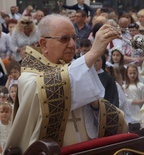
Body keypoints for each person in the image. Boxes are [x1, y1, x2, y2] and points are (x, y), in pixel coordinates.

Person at [4, 14, 127, 153]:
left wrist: (95, 106)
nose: (73, 45)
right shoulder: (28, 78)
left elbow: (100, 114)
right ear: (44, 44)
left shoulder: (76, 69)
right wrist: (92, 54)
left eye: (74, 38)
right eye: (64, 39)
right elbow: (46, 91)